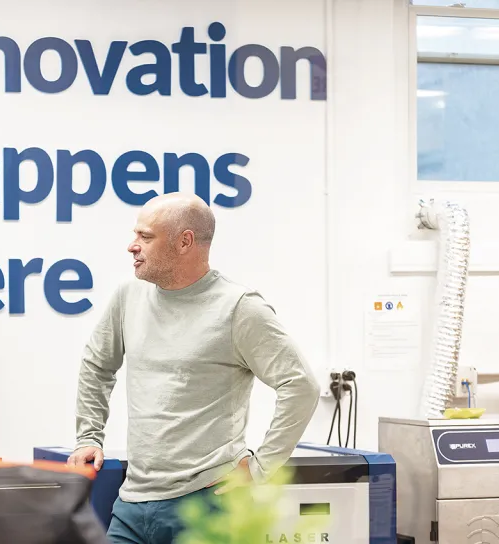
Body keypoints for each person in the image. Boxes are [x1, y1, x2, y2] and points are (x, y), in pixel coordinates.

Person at [66, 192, 320, 544]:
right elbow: (97, 364)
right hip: (133, 500)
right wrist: (88, 436)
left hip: (206, 502)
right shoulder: (129, 296)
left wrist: (261, 469)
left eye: (145, 237)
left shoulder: (239, 308)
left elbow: (300, 386)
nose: (132, 246)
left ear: (184, 241)